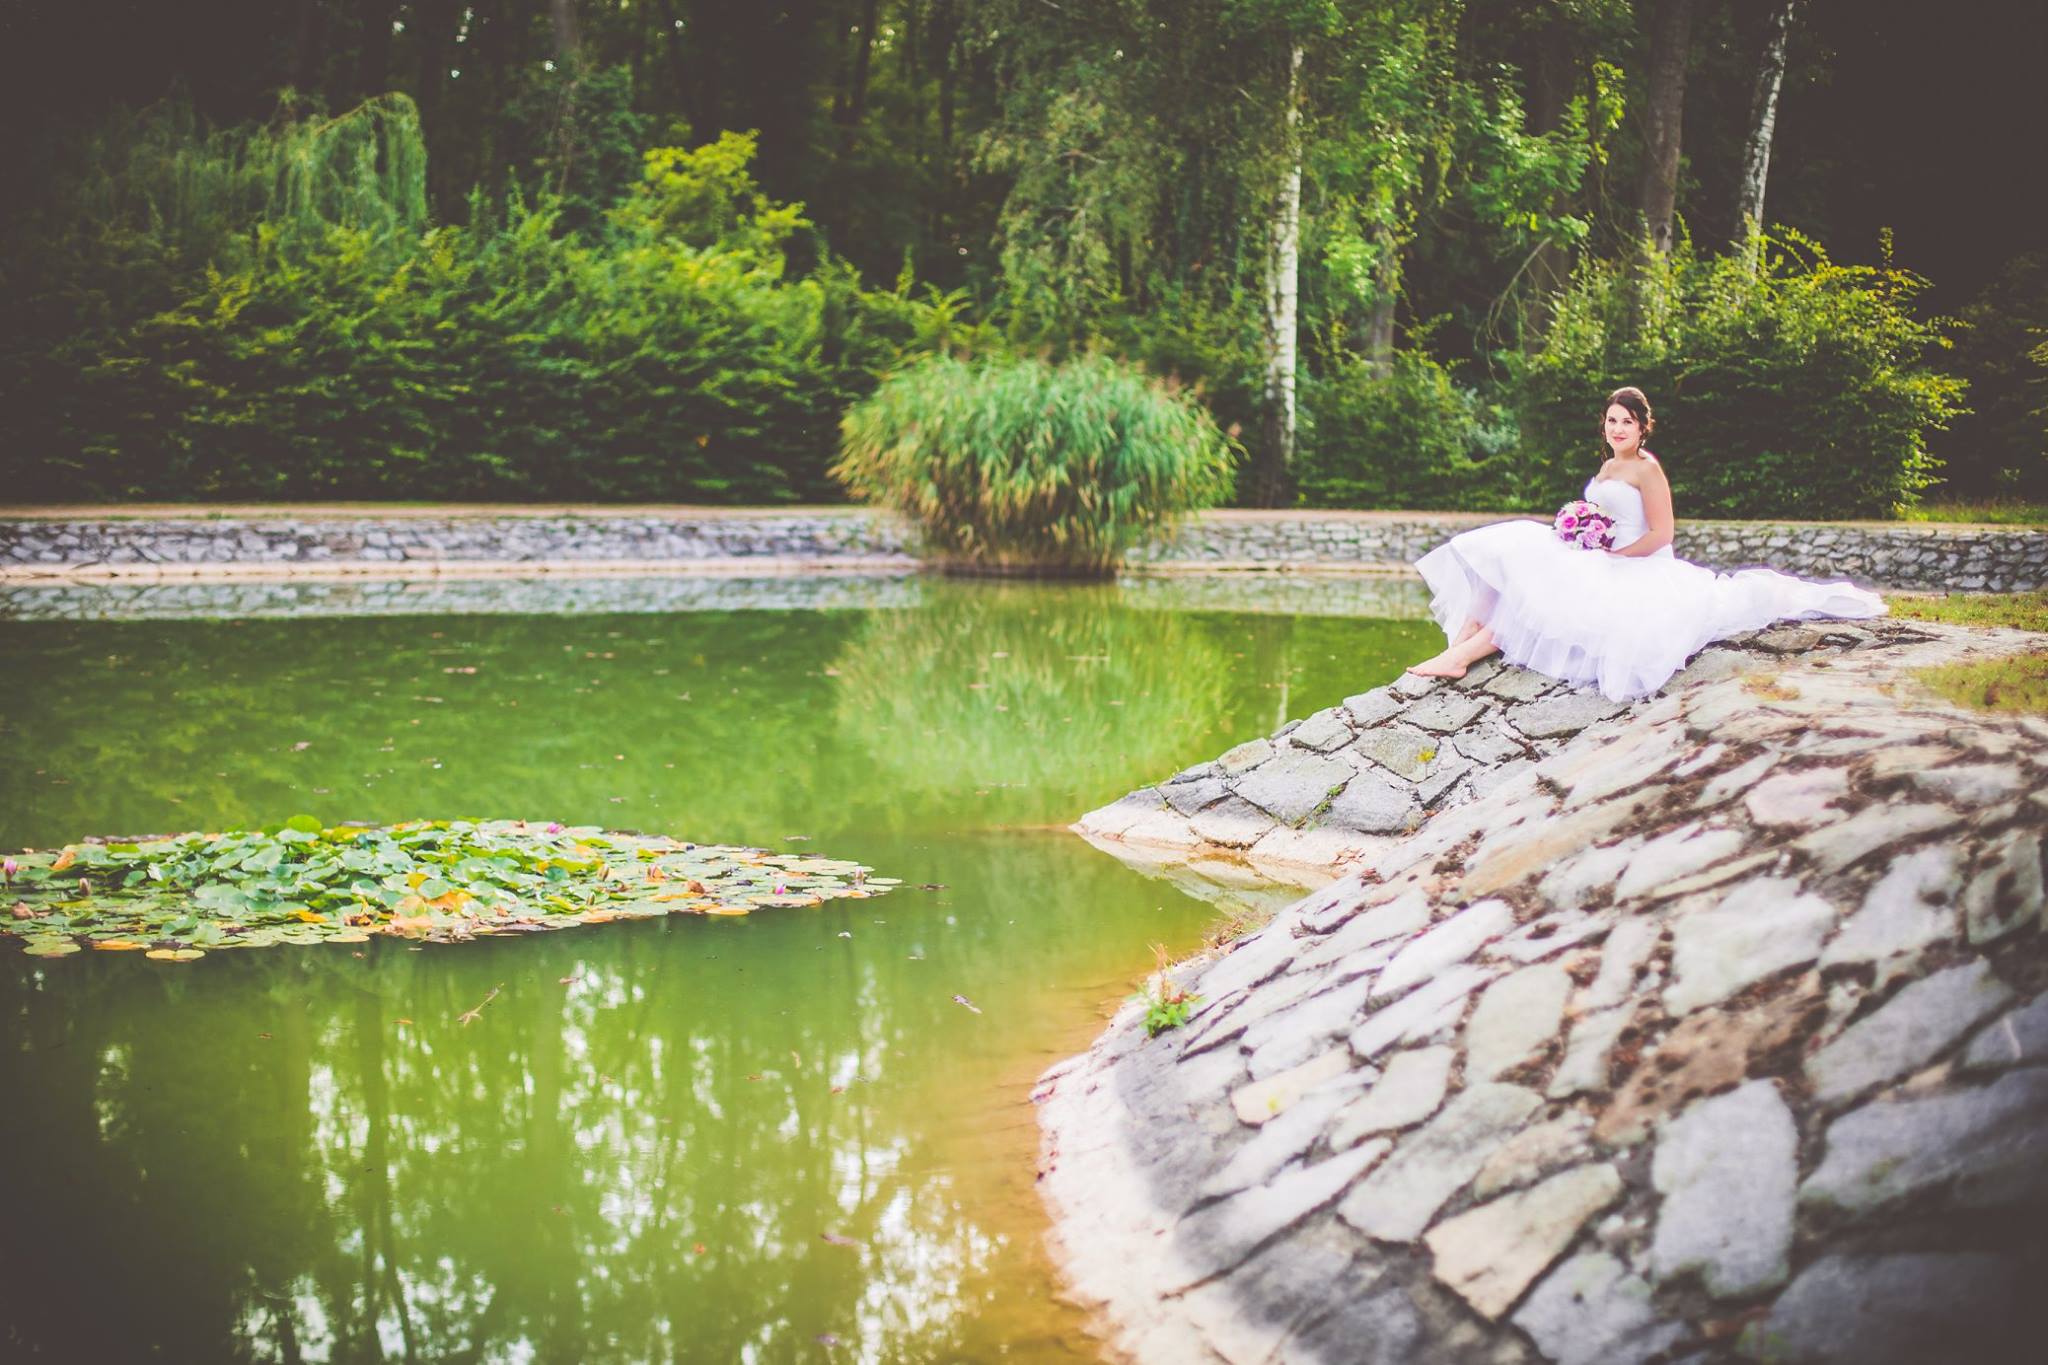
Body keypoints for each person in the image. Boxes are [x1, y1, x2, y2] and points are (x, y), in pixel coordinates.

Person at [1405, 386, 1885, 702]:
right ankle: (1461, 642)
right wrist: (1580, 530)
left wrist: (1612, 554)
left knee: (1539, 584)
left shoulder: (1647, 469)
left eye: (1627, 422)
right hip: (1600, 555)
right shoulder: (1608, 466)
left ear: (1641, 428)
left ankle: (1462, 657)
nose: (1617, 429)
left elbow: (1662, 534)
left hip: (1636, 563)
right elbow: (1602, 514)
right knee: (1511, 551)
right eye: (1612, 420)